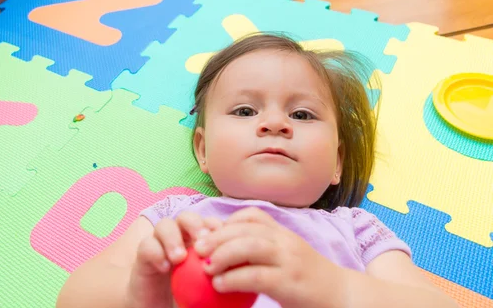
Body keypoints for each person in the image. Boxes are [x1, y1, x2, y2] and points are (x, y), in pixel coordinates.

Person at [57, 33, 458, 308]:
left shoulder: (356, 229)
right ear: (204, 152)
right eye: (245, 111)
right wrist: (135, 295)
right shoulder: (175, 219)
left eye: (301, 114)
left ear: (336, 162)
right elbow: (73, 297)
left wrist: (340, 290)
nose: (274, 124)